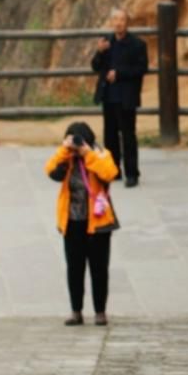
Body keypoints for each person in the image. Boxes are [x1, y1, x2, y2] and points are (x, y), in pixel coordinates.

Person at [45, 121, 120, 326]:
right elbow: (50, 170)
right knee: (74, 268)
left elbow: (110, 173)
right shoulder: (67, 157)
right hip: (72, 222)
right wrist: (64, 150)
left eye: (79, 141)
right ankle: (76, 311)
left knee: (99, 269)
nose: (76, 146)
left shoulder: (101, 154)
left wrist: (88, 154)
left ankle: (100, 312)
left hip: (98, 224)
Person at [91, 7, 148, 187]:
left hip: (126, 97)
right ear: (111, 22)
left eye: (122, 20)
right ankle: (113, 170)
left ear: (127, 22)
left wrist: (119, 74)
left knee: (128, 136)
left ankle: (132, 174)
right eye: (115, 20)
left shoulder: (137, 44)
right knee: (110, 136)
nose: (118, 23)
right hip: (109, 95)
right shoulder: (106, 42)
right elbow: (95, 66)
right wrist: (99, 52)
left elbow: (141, 69)